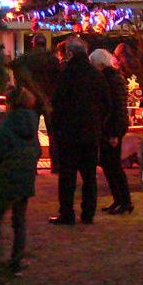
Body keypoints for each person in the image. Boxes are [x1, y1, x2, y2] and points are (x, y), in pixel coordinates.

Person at [48, 37, 109, 225]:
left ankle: (67, 213)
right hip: (90, 134)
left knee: (67, 177)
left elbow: (57, 104)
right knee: (89, 176)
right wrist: (98, 123)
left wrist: (57, 128)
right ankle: (88, 213)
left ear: (70, 54)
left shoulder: (66, 75)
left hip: (69, 134)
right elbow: (107, 104)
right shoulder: (96, 75)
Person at [0, 87, 41, 275]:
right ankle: (16, 261)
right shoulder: (32, 124)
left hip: (7, 176)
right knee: (19, 220)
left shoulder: (8, 124)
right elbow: (37, 151)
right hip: (25, 178)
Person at [89, 49, 133, 215]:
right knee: (110, 164)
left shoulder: (109, 80)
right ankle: (120, 199)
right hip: (112, 127)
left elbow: (114, 108)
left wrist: (114, 132)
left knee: (112, 165)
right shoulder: (114, 78)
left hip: (112, 128)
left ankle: (124, 200)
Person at [9, 33, 61, 174]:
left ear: (33, 44)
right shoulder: (53, 60)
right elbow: (58, 82)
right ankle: (56, 165)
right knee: (53, 134)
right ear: (45, 44)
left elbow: (20, 79)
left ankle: (32, 166)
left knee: (32, 134)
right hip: (49, 100)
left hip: (31, 100)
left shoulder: (26, 59)